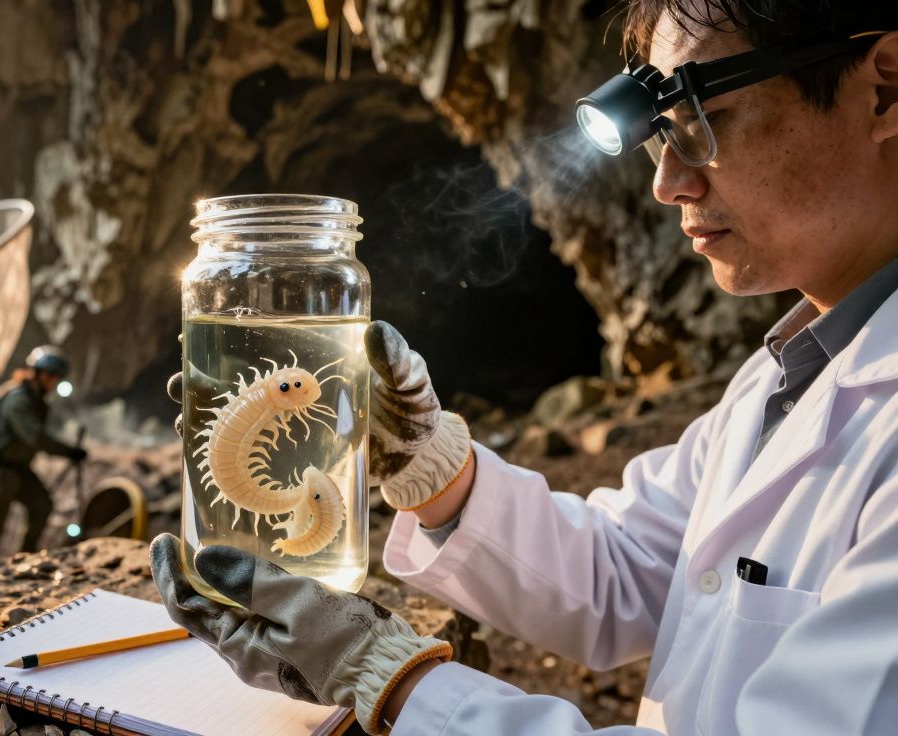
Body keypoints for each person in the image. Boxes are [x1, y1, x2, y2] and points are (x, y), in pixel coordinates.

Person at [151, 3, 898, 734]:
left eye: (704, 117)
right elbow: (628, 569)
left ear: (887, 86)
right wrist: (432, 469)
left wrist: (395, 680)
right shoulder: (791, 372)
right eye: (659, 134)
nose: (668, 183)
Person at [0, 345, 87, 559]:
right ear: (37, 373)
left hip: (19, 469)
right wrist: (67, 451)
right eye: (50, 376)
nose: (53, 382)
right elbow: (34, 437)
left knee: (41, 505)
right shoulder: (18, 399)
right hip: (0, 470)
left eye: (56, 378)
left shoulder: (35, 400)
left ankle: (23, 560)